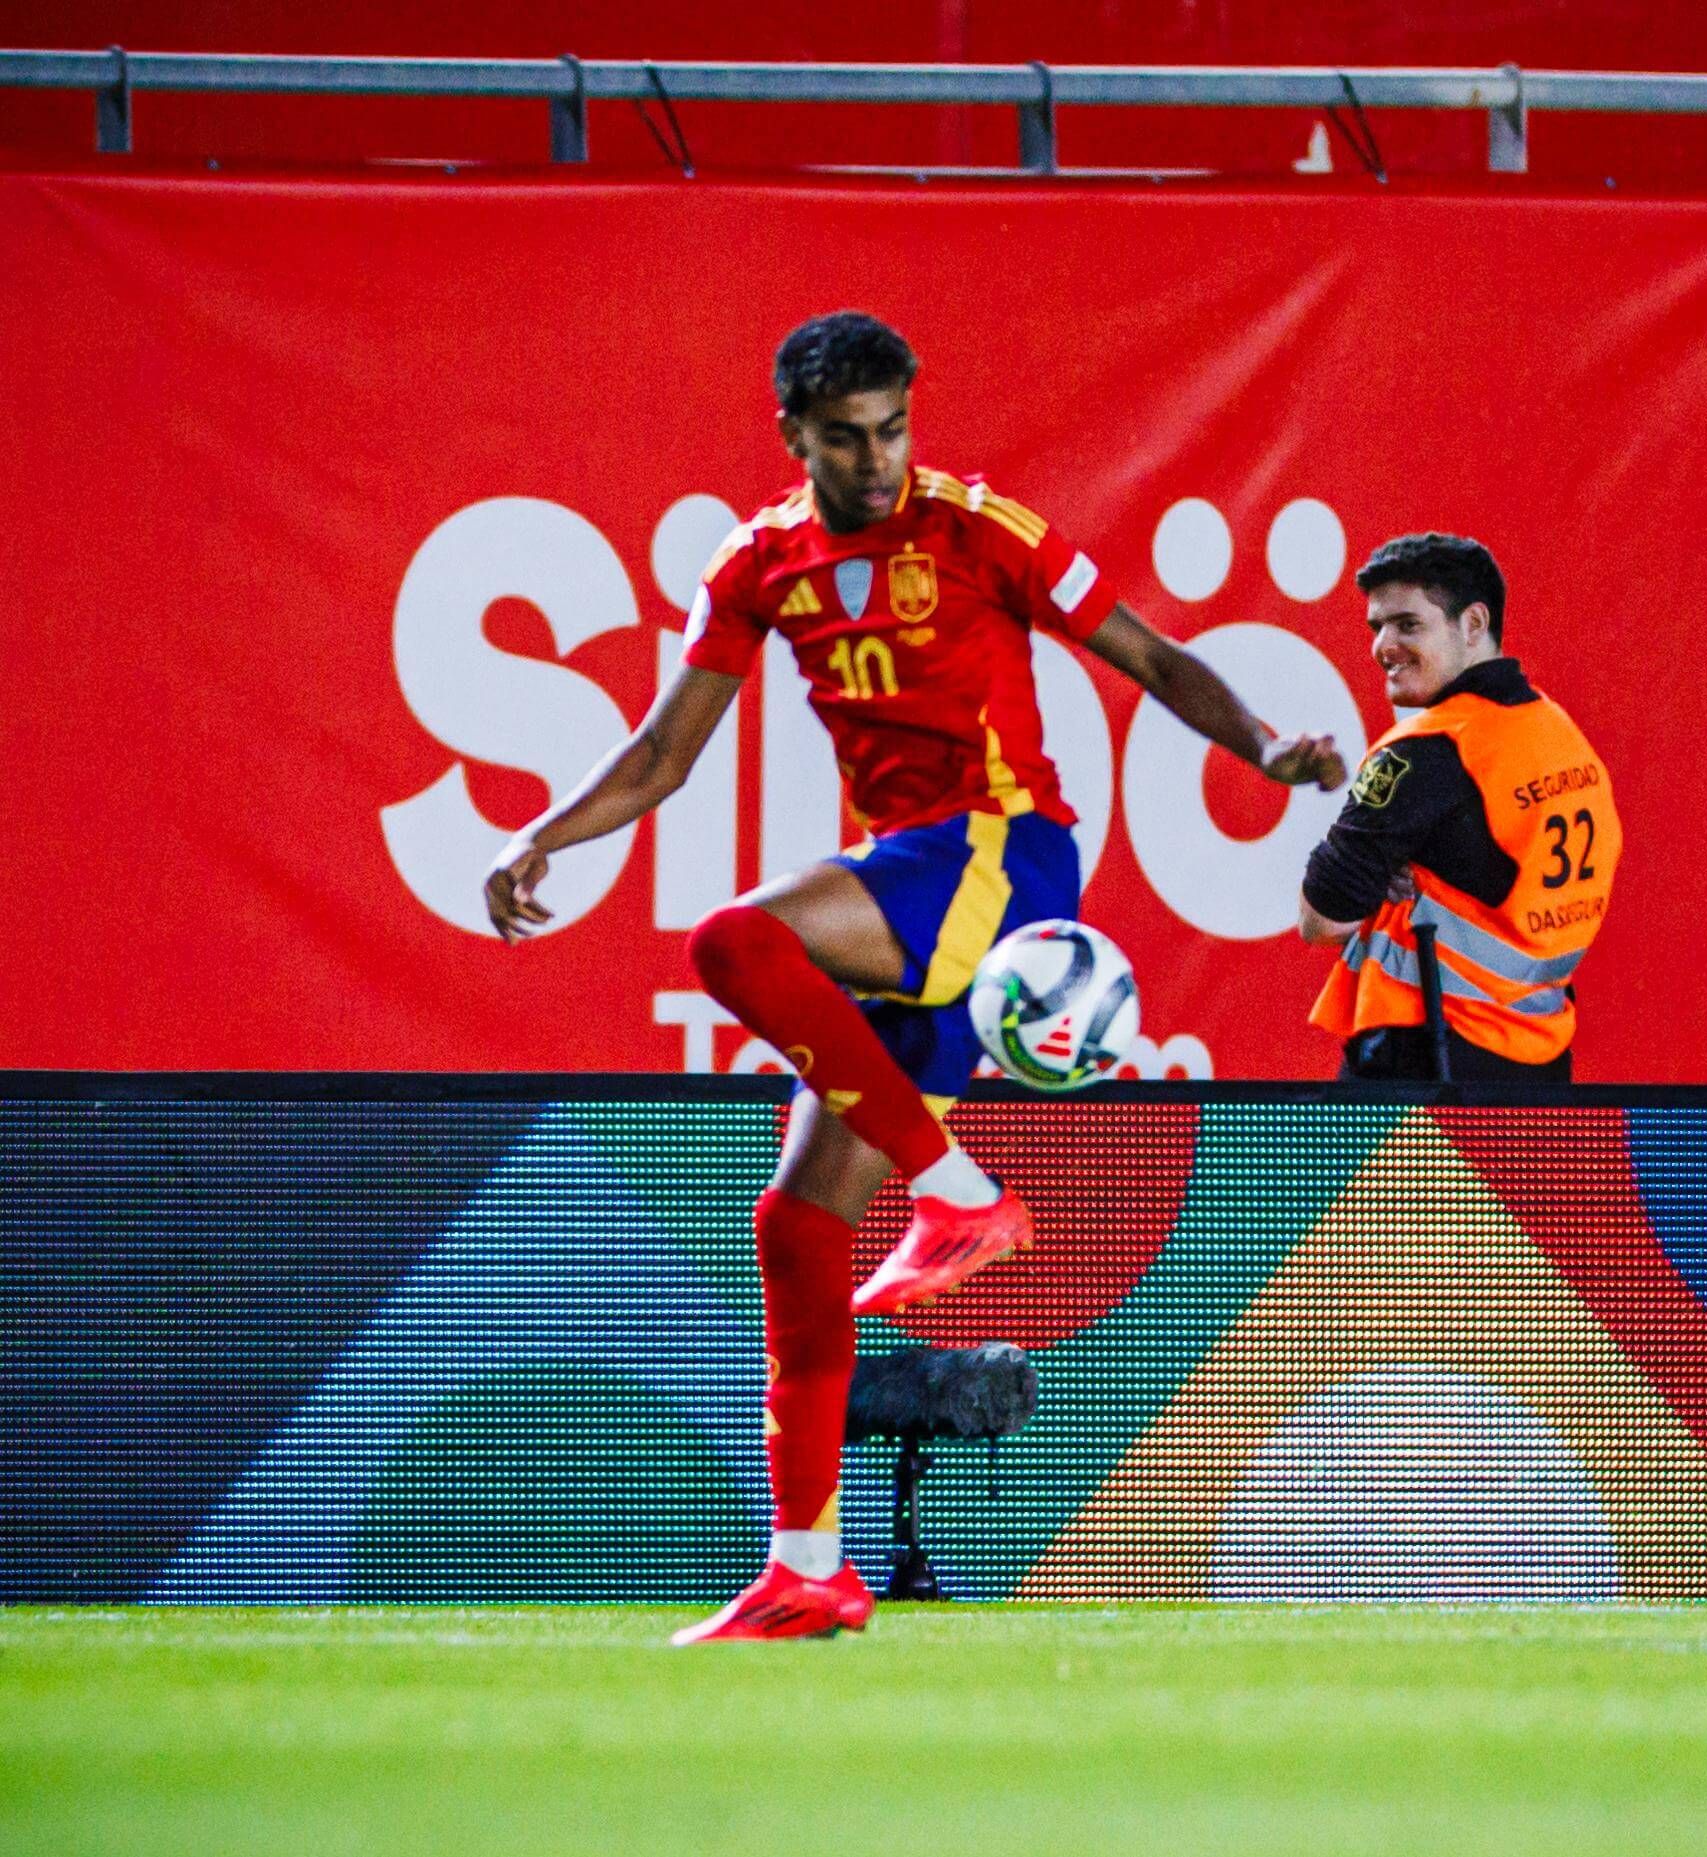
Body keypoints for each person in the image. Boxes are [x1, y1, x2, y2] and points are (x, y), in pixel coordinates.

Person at [484, 311, 1344, 1643]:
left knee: (732, 942)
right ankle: (807, 1568)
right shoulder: (760, 563)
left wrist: (1264, 746)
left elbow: (1150, 658)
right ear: (793, 437)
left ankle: (956, 1191)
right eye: (846, 437)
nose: (878, 460)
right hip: (904, 883)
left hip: (1002, 856)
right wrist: (543, 834)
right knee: (795, 1227)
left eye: (893, 429)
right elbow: (663, 753)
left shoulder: (977, 528)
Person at [1298, 533, 1618, 1083]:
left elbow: (1321, 919)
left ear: (1473, 624)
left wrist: (1389, 880)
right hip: (1540, 1067)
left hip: (1427, 1072)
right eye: (1377, 627)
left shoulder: (1425, 749)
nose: (1383, 646)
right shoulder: (1558, 731)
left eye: (1408, 624)